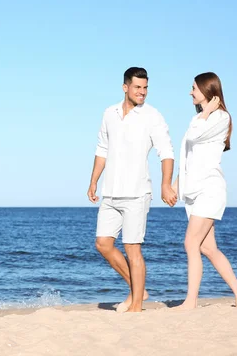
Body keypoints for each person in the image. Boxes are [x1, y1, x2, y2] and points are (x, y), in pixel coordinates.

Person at [88, 67, 176, 313]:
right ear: (125, 87)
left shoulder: (152, 116)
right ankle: (138, 289)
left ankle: (136, 306)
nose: (142, 92)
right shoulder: (109, 113)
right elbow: (102, 149)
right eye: (138, 87)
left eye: (145, 88)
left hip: (137, 193)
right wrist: (94, 181)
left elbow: (167, 152)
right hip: (111, 192)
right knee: (103, 243)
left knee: (132, 249)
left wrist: (165, 184)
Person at [173, 72, 237, 309]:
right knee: (207, 247)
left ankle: (191, 301)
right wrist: (176, 185)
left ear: (207, 91)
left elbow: (195, 134)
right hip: (195, 191)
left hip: (209, 189)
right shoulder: (202, 118)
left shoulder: (220, 118)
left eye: (194, 88)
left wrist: (205, 113)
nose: (190, 92)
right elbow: (188, 156)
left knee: (190, 243)